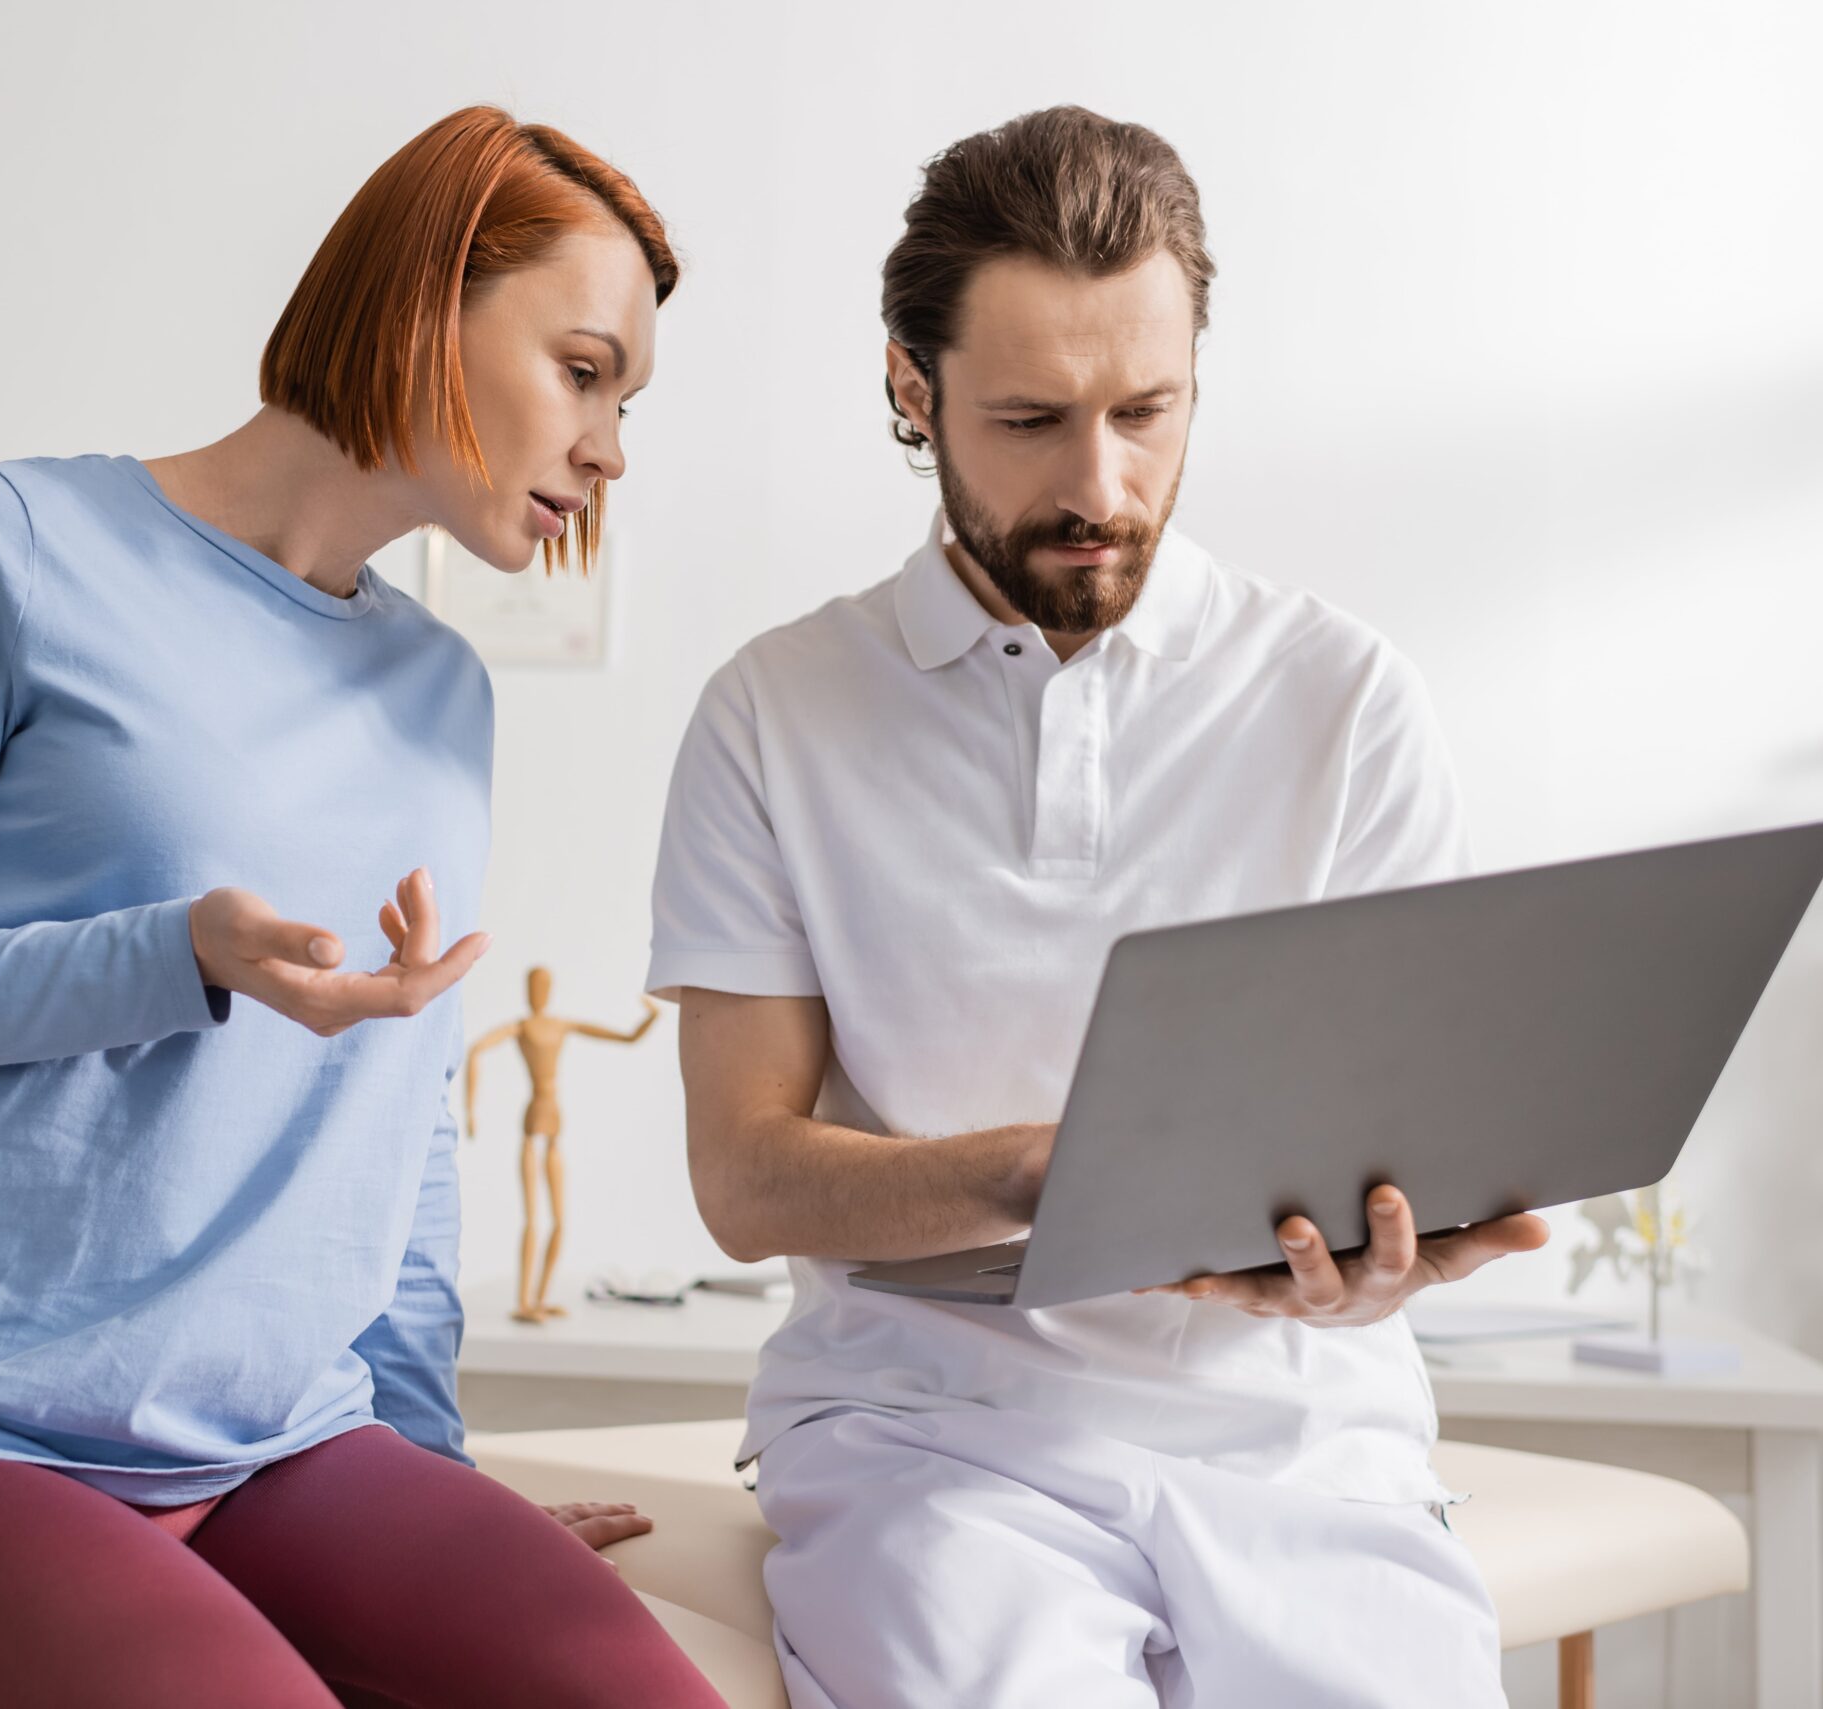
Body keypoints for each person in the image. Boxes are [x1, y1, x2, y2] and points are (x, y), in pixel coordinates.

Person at [0, 106, 725, 1709]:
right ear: (428, 299)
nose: (611, 446)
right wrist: (166, 958)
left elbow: (406, 1122)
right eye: (583, 371)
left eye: (628, 399)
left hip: (280, 1453)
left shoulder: (441, 689)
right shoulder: (7, 550)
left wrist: (430, 1486)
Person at [648, 106, 1546, 1708]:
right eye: (1032, 418)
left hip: (1300, 1434)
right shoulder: (773, 712)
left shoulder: (1343, 696)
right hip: (930, 1431)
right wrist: (1055, 1175)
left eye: (1148, 410)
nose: (1102, 482)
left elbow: (1404, 1133)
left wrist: (1393, 1252)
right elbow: (744, 1173)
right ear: (911, 392)